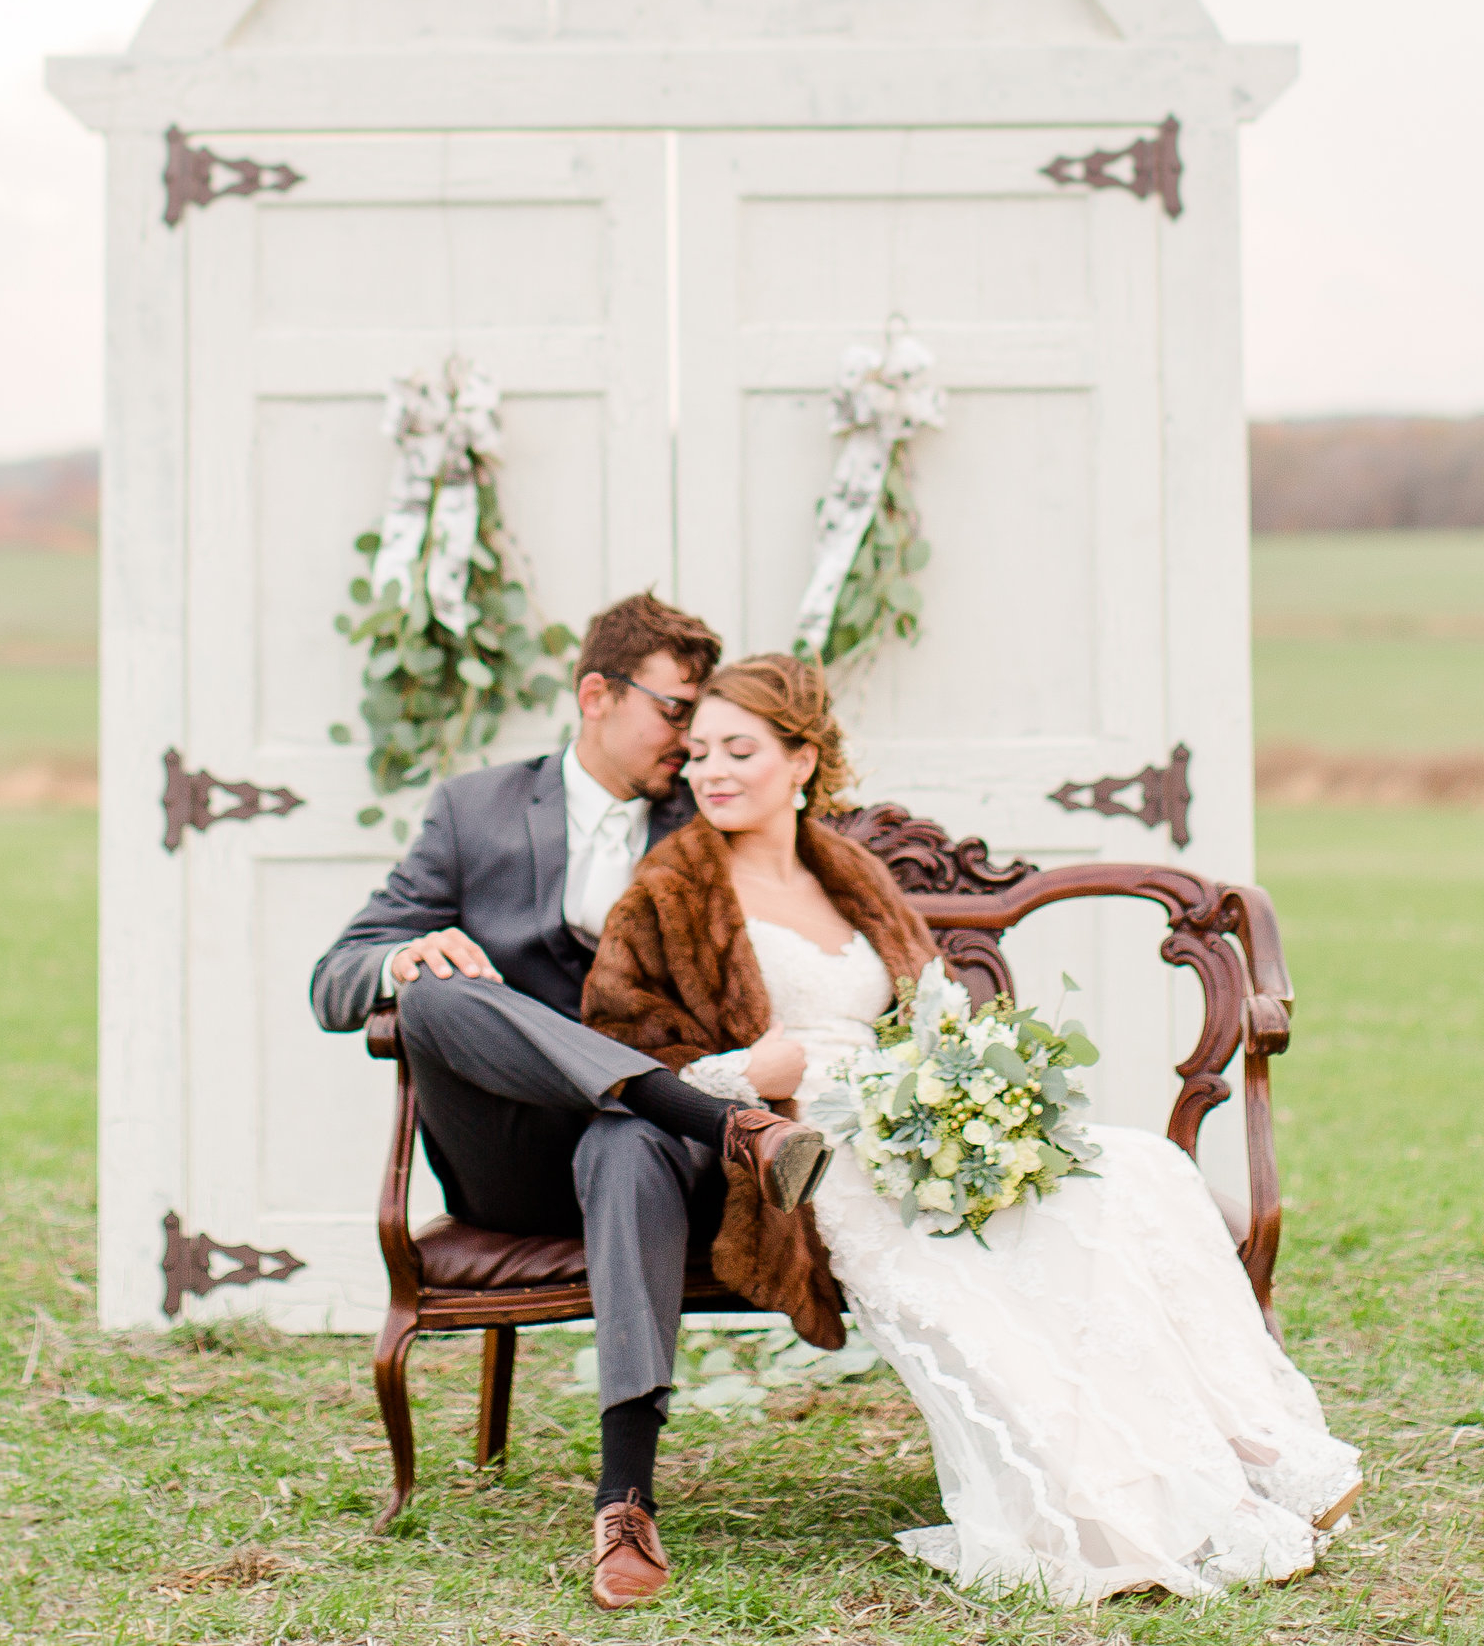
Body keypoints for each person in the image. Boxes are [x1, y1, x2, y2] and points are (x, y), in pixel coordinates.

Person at [584, 654, 1363, 1605]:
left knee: (1136, 1173)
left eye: (739, 749)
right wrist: (747, 1075)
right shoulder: (668, 891)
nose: (711, 770)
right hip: (804, 1150)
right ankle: (1138, 1490)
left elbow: (934, 1009)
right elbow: (617, 1057)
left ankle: (1252, 1447)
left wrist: (966, 1093)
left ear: (801, 759)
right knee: (983, 1259)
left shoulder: (852, 873)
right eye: (699, 751)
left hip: (916, 1121)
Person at [305, 593, 832, 1612]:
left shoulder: (709, 812)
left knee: (626, 1140)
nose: (694, 742)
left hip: (644, 1158)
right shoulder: (476, 812)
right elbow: (334, 978)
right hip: (512, 1153)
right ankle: (717, 1120)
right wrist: (398, 960)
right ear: (598, 694)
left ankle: (624, 1502)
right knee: (436, 997)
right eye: (676, 712)